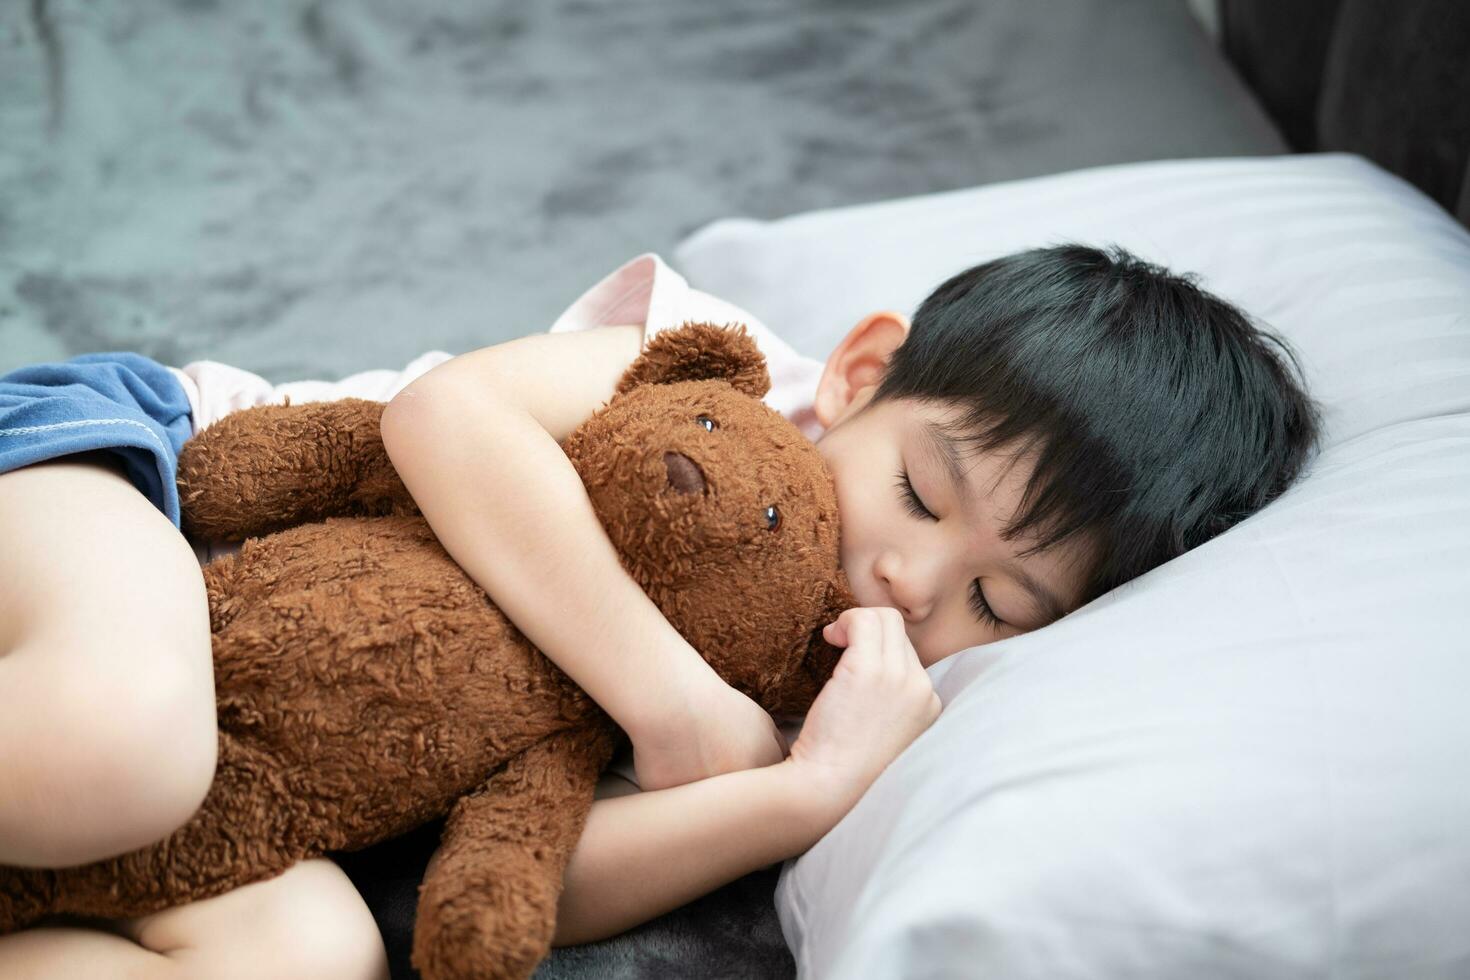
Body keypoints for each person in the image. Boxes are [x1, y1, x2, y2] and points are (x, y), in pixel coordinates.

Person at [0, 243, 1323, 972]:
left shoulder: (827, 690)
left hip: (266, 786)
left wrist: (796, 796)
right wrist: (669, 694)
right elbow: (445, 417)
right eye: (920, 497)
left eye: (997, 598)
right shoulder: (726, 379)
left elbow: (540, 880)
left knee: (308, 957)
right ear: (861, 376)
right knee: (124, 744)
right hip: (151, 491)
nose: (910, 585)